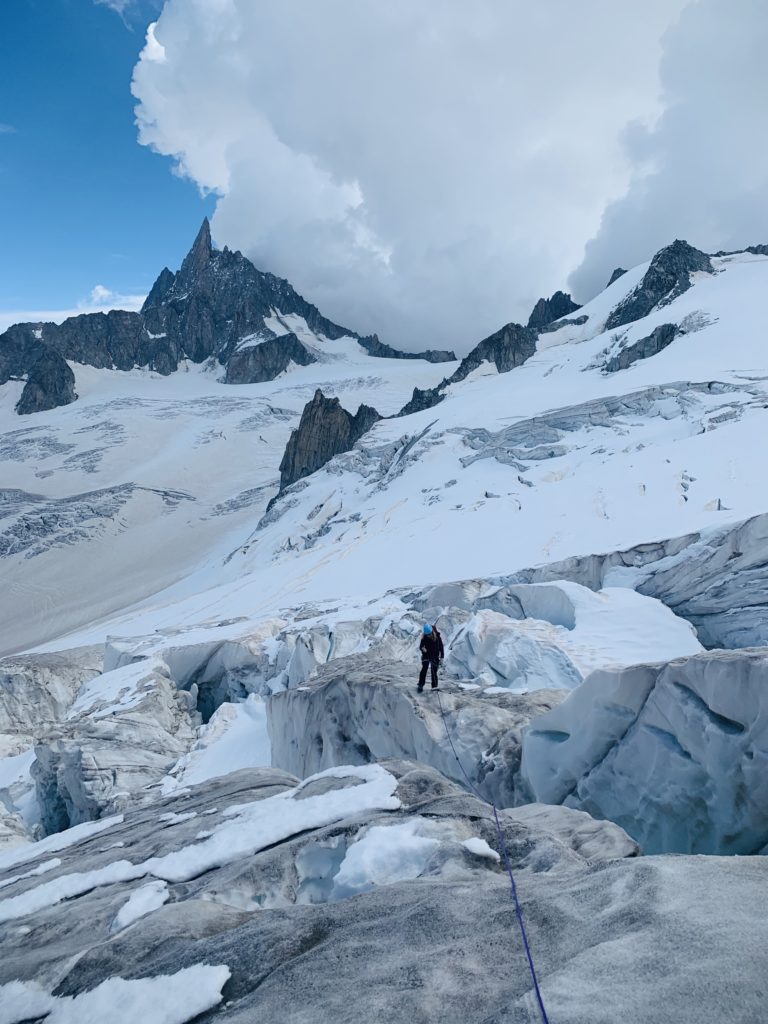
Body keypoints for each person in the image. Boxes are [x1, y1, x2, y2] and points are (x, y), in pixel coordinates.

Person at [417, 623, 444, 692]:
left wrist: (442, 657)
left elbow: (441, 646)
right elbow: (421, 646)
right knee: (424, 668)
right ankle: (420, 684)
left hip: (435, 655)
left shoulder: (437, 637)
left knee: (434, 671)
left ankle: (434, 686)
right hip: (426, 655)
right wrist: (423, 649)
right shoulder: (424, 637)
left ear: (432, 632)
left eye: (429, 634)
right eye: (427, 635)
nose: (428, 636)